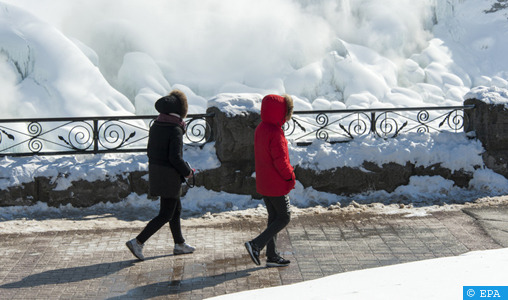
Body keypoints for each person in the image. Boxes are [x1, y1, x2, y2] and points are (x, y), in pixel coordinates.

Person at [126, 89, 196, 261]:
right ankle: (138, 242)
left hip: (157, 171)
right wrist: (187, 172)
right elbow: (175, 157)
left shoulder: (157, 124)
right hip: (169, 176)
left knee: (175, 209)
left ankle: (179, 244)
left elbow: (152, 150)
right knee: (166, 213)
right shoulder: (175, 129)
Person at [245, 94, 296, 267]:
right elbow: (280, 161)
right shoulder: (275, 132)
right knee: (284, 217)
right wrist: (290, 176)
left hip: (265, 182)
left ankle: (272, 255)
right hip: (276, 183)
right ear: (282, 112)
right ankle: (256, 244)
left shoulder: (261, 128)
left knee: (274, 217)